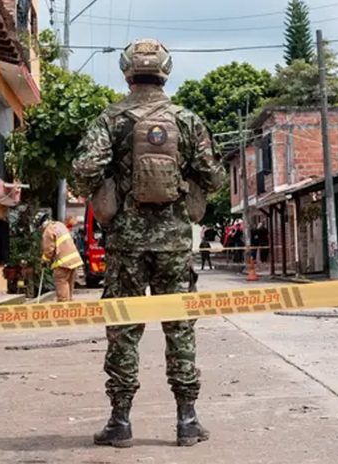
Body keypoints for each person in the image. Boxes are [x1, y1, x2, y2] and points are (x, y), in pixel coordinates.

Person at [73, 38, 225, 448]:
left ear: (126, 72)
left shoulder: (110, 119)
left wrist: (107, 194)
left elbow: (83, 169)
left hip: (125, 244)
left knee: (124, 330)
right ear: (166, 71)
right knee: (180, 330)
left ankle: (120, 423)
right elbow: (215, 178)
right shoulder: (188, 121)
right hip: (175, 243)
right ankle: (187, 420)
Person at [36, 213, 83, 302]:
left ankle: (63, 307)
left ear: (41, 225)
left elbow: (49, 250)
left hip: (63, 262)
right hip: (74, 260)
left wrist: (44, 261)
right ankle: (69, 306)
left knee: (61, 281)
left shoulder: (48, 231)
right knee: (69, 284)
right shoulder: (59, 225)